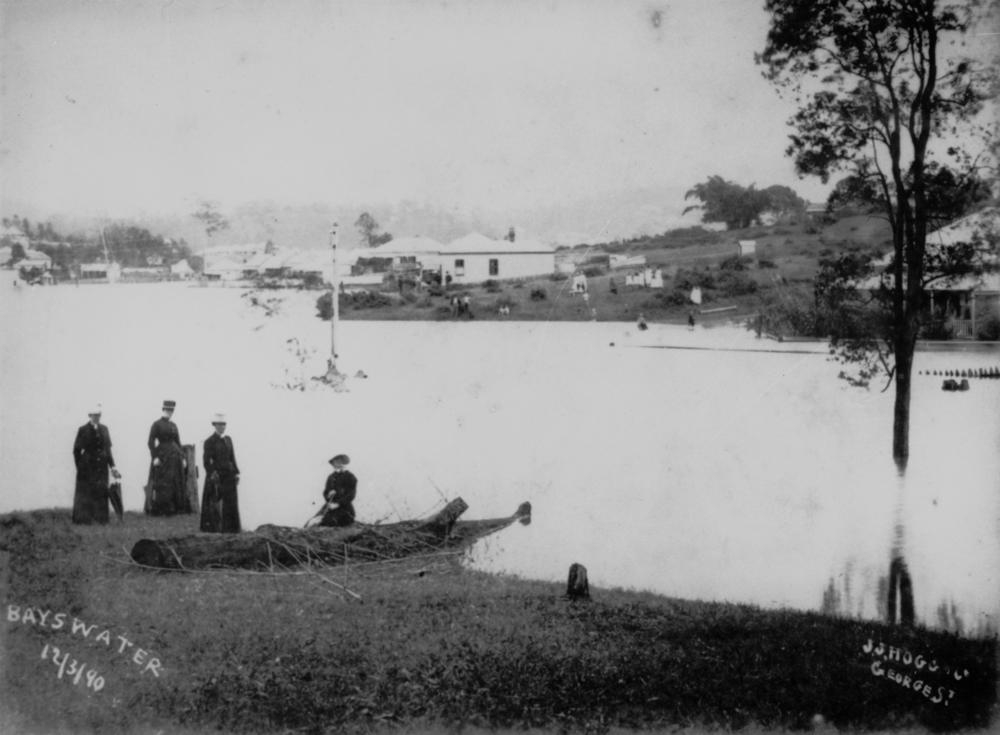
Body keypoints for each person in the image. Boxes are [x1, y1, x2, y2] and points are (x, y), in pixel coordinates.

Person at [72, 404, 121, 524]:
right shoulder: (82, 430)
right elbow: (76, 451)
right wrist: (80, 467)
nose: (97, 417)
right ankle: (84, 520)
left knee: (101, 491)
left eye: (99, 415)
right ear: (90, 415)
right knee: (87, 492)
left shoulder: (104, 429)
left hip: (102, 466)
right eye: (94, 415)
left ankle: (101, 520)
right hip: (87, 466)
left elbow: (108, 450)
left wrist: (113, 467)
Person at [200, 413, 241, 533]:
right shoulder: (209, 441)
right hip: (218, 476)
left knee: (231, 502)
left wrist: (237, 472)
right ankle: (215, 528)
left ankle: (232, 529)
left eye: (224, 424)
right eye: (220, 424)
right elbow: (206, 461)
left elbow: (232, 457)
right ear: (215, 425)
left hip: (229, 475)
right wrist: (212, 473)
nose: (222, 427)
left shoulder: (228, 440)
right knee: (216, 504)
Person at [146, 399, 189, 515]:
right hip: (162, 457)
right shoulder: (156, 424)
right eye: (168, 410)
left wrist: (183, 457)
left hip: (175, 457)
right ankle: (161, 509)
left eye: (172, 410)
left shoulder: (174, 425)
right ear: (163, 409)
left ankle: (175, 508)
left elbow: (178, 442)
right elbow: (150, 442)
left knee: (175, 482)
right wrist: (154, 457)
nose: (170, 412)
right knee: (162, 483)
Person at [319, 454, 357, 527]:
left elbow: (351, 495)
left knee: (332, 523)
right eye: (334, 463)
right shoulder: (331, 477)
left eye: (338, 462)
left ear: (344, 463)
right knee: (318, 522)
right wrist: (328, 495)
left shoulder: (350, 477)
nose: (334, 464)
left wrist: (338, 504)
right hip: (330, 507)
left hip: (345, 509)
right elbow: (325, 492)